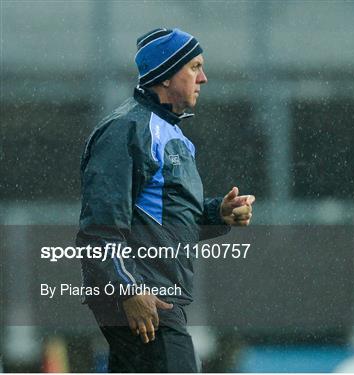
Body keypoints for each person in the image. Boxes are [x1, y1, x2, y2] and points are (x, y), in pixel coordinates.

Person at [76, 27, 255, 372]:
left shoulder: (172, 132)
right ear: (166, 75)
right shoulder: (127, 129)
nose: (203, 78)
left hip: (154, 295)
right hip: (144, 297)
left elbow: (164, 218)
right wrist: (127, 289)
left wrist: (218, 213)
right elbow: (99, 228)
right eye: (194, 67)